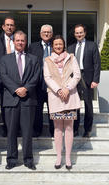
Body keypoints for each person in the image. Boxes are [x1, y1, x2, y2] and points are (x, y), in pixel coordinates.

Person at [0, 31, 40, 170]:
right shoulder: (5, 59)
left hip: (28, 100)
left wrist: (25, 89)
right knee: (11, 131)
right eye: (17, 40)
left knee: (27, 131)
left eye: (22, 40)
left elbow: (36, 76)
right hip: (11, 99)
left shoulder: (33, 59)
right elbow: (3, 76)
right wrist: (16, 89)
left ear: (25, 42)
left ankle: (28, 159)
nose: (20, 43)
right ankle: (11, 159)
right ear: (13, 42)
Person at [44, 35, 81, 170]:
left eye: (60, 44)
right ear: (52, 46)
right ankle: (59, 156)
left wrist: (67, 88)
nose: (58, 46)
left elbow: (77, 75)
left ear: (63, 45)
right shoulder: (47, 60)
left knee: (69, 127)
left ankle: (68, 157)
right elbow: (47, 77)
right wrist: (59, 89)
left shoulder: (71, 58)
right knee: (58, 127)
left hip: (70, 96)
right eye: (56, 44)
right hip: (55, 96)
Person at [68, 24, 101, 138]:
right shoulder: (70, 47)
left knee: (88, 104)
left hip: (87, 78)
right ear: (74, 34)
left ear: (85, 33)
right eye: (77, 33)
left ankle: (87, 129)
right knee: (74, 104)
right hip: (74, 78)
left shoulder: (92, 46)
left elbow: (97, 64)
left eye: (81, 32)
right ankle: (75, 129)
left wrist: (95, 80)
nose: (79, 34)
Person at [28, 24, 54, 137]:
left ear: (52, 34)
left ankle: (54, 131)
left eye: (48, 32)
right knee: (37, 109)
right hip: (37, 83)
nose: (46, 34)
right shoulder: (32, 47)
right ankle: (37, 131)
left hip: (53, 84)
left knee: (53, 108)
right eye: (44, 32)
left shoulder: (56, 45)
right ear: (40, 34)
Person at [0, 17, 16, 137]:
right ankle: (6, 127)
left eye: (11, 25)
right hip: (2, 80)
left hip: (17, 79)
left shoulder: (18, 41)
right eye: (7, 25)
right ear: (3, 27)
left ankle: (15, 128)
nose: (9, 27)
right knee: (4, 106)